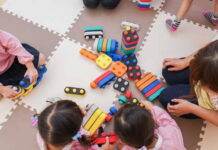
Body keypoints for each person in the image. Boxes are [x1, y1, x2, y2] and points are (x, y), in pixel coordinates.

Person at [159, 38, 218, 126]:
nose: (201, 85)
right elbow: (210, 48)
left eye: (206, 85)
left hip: (206, 103)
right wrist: (186, 61)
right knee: (168, 70)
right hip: (209, 67)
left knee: (166, 98)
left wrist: (192, 108)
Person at [37, 100, 114, 150]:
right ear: (74, 137)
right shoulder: (78, 146)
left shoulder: (43, 132)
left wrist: (75, 115)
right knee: (99, 132)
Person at [114, 101, 186, 150]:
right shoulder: (171, 132)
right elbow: (166, 120)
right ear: (154, 121)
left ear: (124, 141)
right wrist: (152, 108)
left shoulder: (128, 145)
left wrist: (124, 147)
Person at [0, 30, 46, 99]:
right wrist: (2, 89)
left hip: (14, 58)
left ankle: (29, 77)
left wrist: (30, 67)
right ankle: (20, 84)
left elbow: (15, 47)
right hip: (2, 75)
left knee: (41, 58)